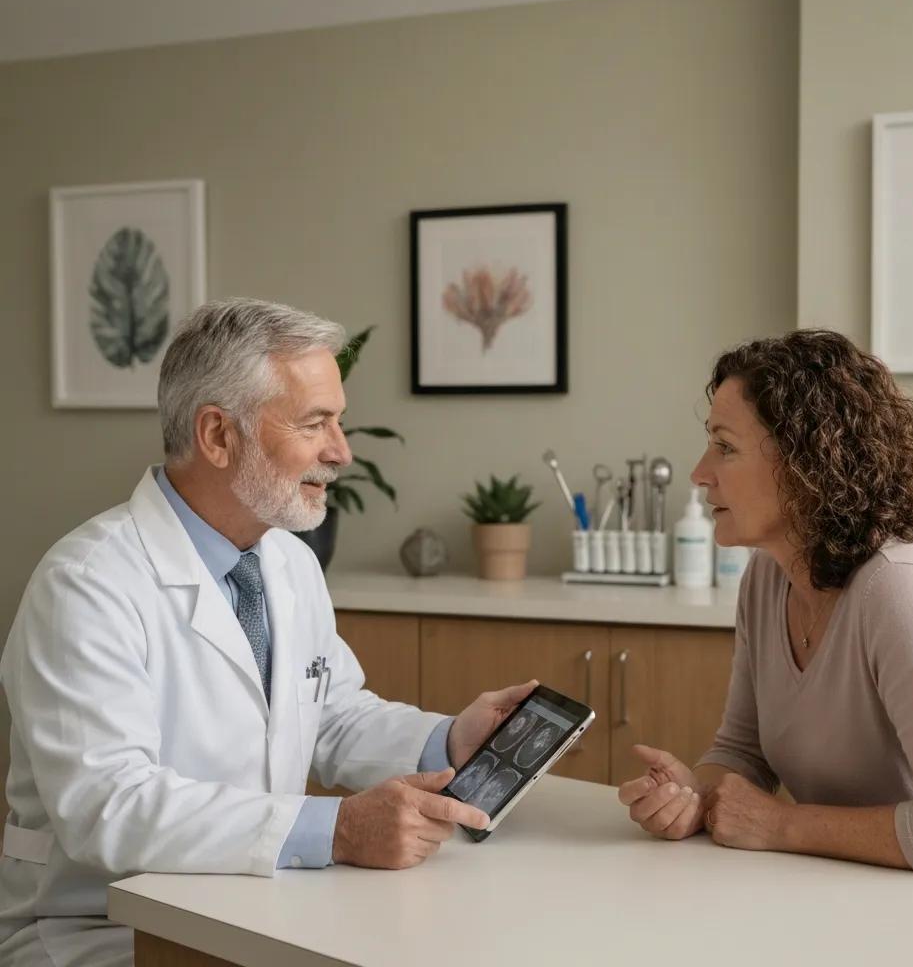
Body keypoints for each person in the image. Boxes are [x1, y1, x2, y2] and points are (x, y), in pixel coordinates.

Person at [0, 299, 535, 965]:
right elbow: (107, 805)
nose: (341, 451)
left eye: (338, 422)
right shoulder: (86, 584)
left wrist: (451, 739)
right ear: (218, 436)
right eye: (315, 423)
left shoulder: (285, 560)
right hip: (100, 925)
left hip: (248, 904)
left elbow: (329, 715)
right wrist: (337, 830)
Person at [619, 329, 913, 875]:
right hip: (852, 893)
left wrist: (780, 825)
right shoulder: (767, 577)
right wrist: (693, 795)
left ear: (806, 465)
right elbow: (742, 752)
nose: (699, 473)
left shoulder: (901, 593)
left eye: (725, 447)